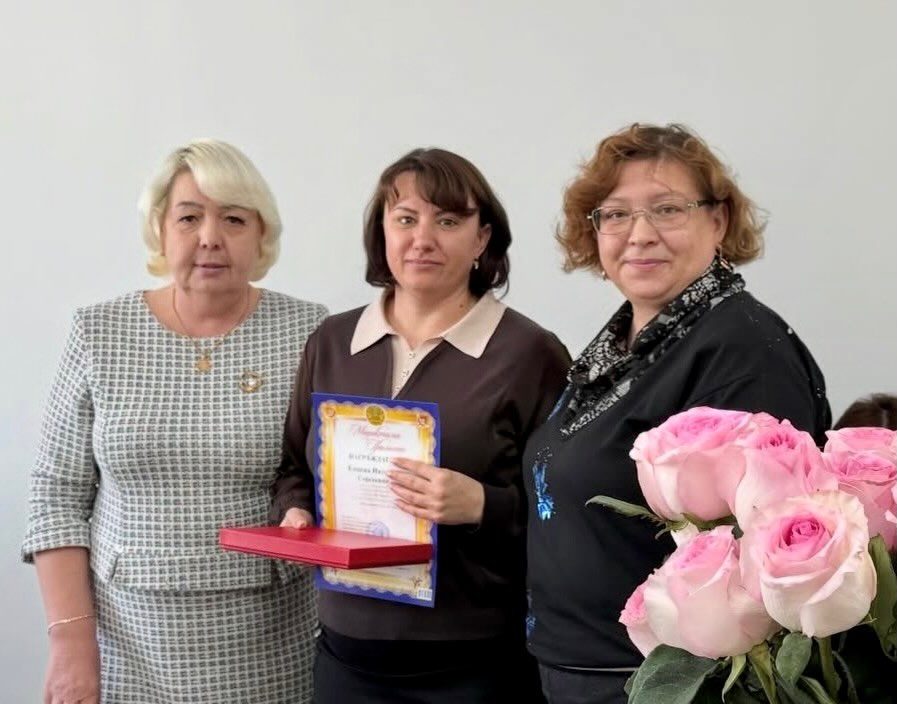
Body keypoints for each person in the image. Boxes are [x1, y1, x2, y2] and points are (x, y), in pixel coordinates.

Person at [523, 123, 831, 704]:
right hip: (578, 668)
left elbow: (756, 550)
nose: (640, 234)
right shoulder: (622, 346)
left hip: (667, 685)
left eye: (667, 209)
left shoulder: (743, 350)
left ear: (718, 221)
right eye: (616, 215)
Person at [22, 139, 325, 704]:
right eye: (189, 217)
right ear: (160, 230)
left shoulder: (310, 332)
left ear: (261, 234)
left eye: (234, 218)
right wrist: (70, 643)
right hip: (124, 649)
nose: (210, 237)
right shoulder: (98, 332)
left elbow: (331, 479)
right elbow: (56, 494)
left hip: (269, 650)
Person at [270, 147, 571, 703]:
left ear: (482, 239)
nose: (422, 239)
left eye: (448, 221)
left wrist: (482, 504)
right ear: (382, 232)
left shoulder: (531, 353)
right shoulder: (331, 342)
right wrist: (295, 512)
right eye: (405, 219)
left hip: (478, 663)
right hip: (345, 656)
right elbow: (293, 467)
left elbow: (569, 510)